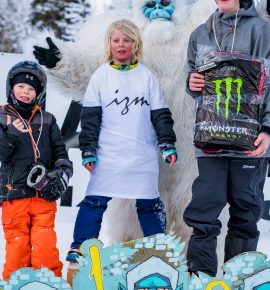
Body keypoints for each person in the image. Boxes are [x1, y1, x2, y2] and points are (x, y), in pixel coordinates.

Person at [183, 0, 270, 277]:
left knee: (245, 215)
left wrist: (269, 130)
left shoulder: (259, 31)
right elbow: (193, 79)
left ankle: (238, 279)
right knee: (203, 214)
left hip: (250, 145)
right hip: (211, 141)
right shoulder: (200, 33)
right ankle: (201, 279)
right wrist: (192, 83)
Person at [66, 19, 177, 262]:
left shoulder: (147, 76)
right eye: (116, 40)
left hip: (142, 156)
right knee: (94, 202)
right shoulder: (100, 77)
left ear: (135, 44)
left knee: (149, 205)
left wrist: (167, 144)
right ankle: (81, 248)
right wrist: (88, 150)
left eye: (126, 40)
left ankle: (159, 253)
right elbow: (90, 118)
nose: (121, 45)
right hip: (109, 156)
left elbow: (160, 115)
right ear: (109, 44)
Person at [0, 61, 73, 280]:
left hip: (44, 195)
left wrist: (62, 173)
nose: (26, 92)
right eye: (21, 87)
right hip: (14, 196)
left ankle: (49, 284)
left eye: (31, 89)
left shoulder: (48, 120)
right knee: (17, 250)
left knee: (45, 249)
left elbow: (61, 153)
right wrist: (10, 133)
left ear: (39, 93)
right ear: (11, 88)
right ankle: (16, 284)